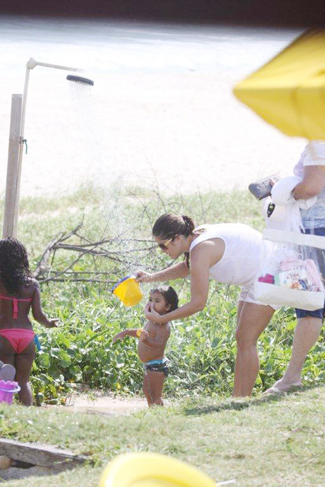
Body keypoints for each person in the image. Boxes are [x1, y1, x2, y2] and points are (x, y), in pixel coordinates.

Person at [136, 213, 278, 398]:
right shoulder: (195, 239)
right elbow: (188, 267)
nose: (162, 250)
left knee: (246, 339)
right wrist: (150, 277)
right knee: (243, 339)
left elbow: (198, 303)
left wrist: (162, 318)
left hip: (270, 273)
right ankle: (238, 398)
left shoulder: (201, 249)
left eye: (163, 245)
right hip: (257, 275)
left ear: (177, 238)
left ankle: (242, 400)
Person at [266, 141, 325, 393]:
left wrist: (283, 190)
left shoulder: (319, 140)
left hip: (315, 231)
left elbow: (311, 187)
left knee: (309, 304)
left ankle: (292, 378)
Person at [0, 237, 58, 406]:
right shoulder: (32, 285)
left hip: (4, 336)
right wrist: (49, 323)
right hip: (27, 337)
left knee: (5, 380)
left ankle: (6, 414)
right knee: (24, 382)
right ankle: (26, 415)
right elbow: (39, 315)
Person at [113, 286, 178, 406]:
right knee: (147, 391)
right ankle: (152, 411)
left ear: (168, 307)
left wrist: (147, 340)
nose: (152, 304)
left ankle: (159, 413)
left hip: (157, 365)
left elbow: (159, 345)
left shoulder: (163, 326)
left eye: (157, 301)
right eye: (150, 300)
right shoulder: (152, 321)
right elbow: (141, 332)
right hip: (150, 365)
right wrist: (127, 332)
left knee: (155, 394)